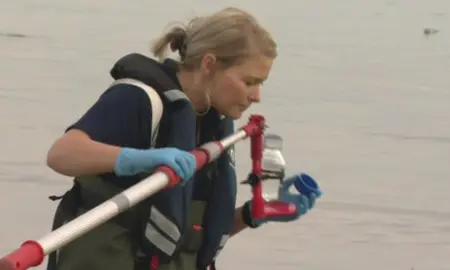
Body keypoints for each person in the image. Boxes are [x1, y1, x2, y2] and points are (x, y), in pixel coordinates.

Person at [45, 7, 321, 270]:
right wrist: (136, 159)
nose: (257, 96)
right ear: (209, 64)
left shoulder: (215, 122)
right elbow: (61, 155)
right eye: (249, 82)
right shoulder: (141, 99)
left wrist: (251, 215)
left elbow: (182, 235)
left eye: (261, 83)